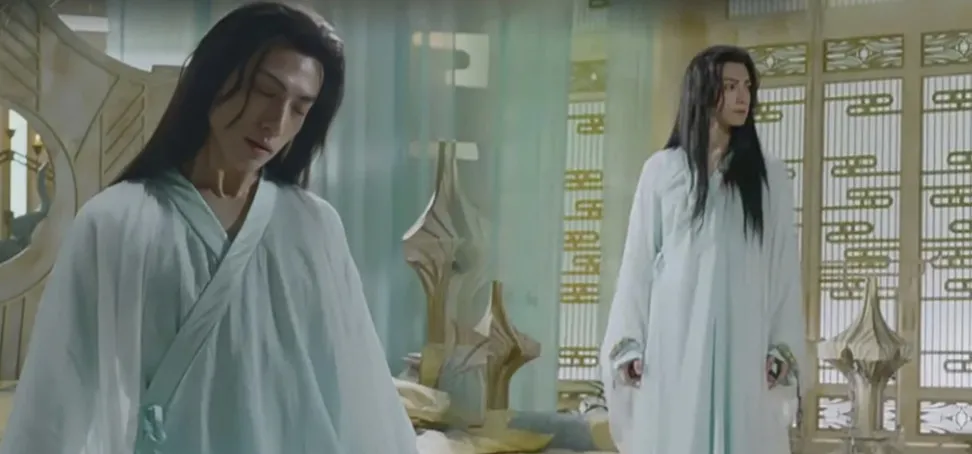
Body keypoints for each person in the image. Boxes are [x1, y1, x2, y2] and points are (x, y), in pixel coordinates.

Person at [0, 3, 418, 454]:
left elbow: (354, 384)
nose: (275, 122)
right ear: (214, 79)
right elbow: (57, 394)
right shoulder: (116, 221)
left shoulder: (314, 227)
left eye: (299, 108)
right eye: (264, 90)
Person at [599, 45, 806, 454]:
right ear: (702, 92)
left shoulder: (768, 177)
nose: (743, 97)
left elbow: (783, 266)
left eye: (747, 86)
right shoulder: (662, 171)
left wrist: (781, 344)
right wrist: (630, 342)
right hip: (675, 337)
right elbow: (638, 263)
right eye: (730, 86)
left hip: (744, 338)